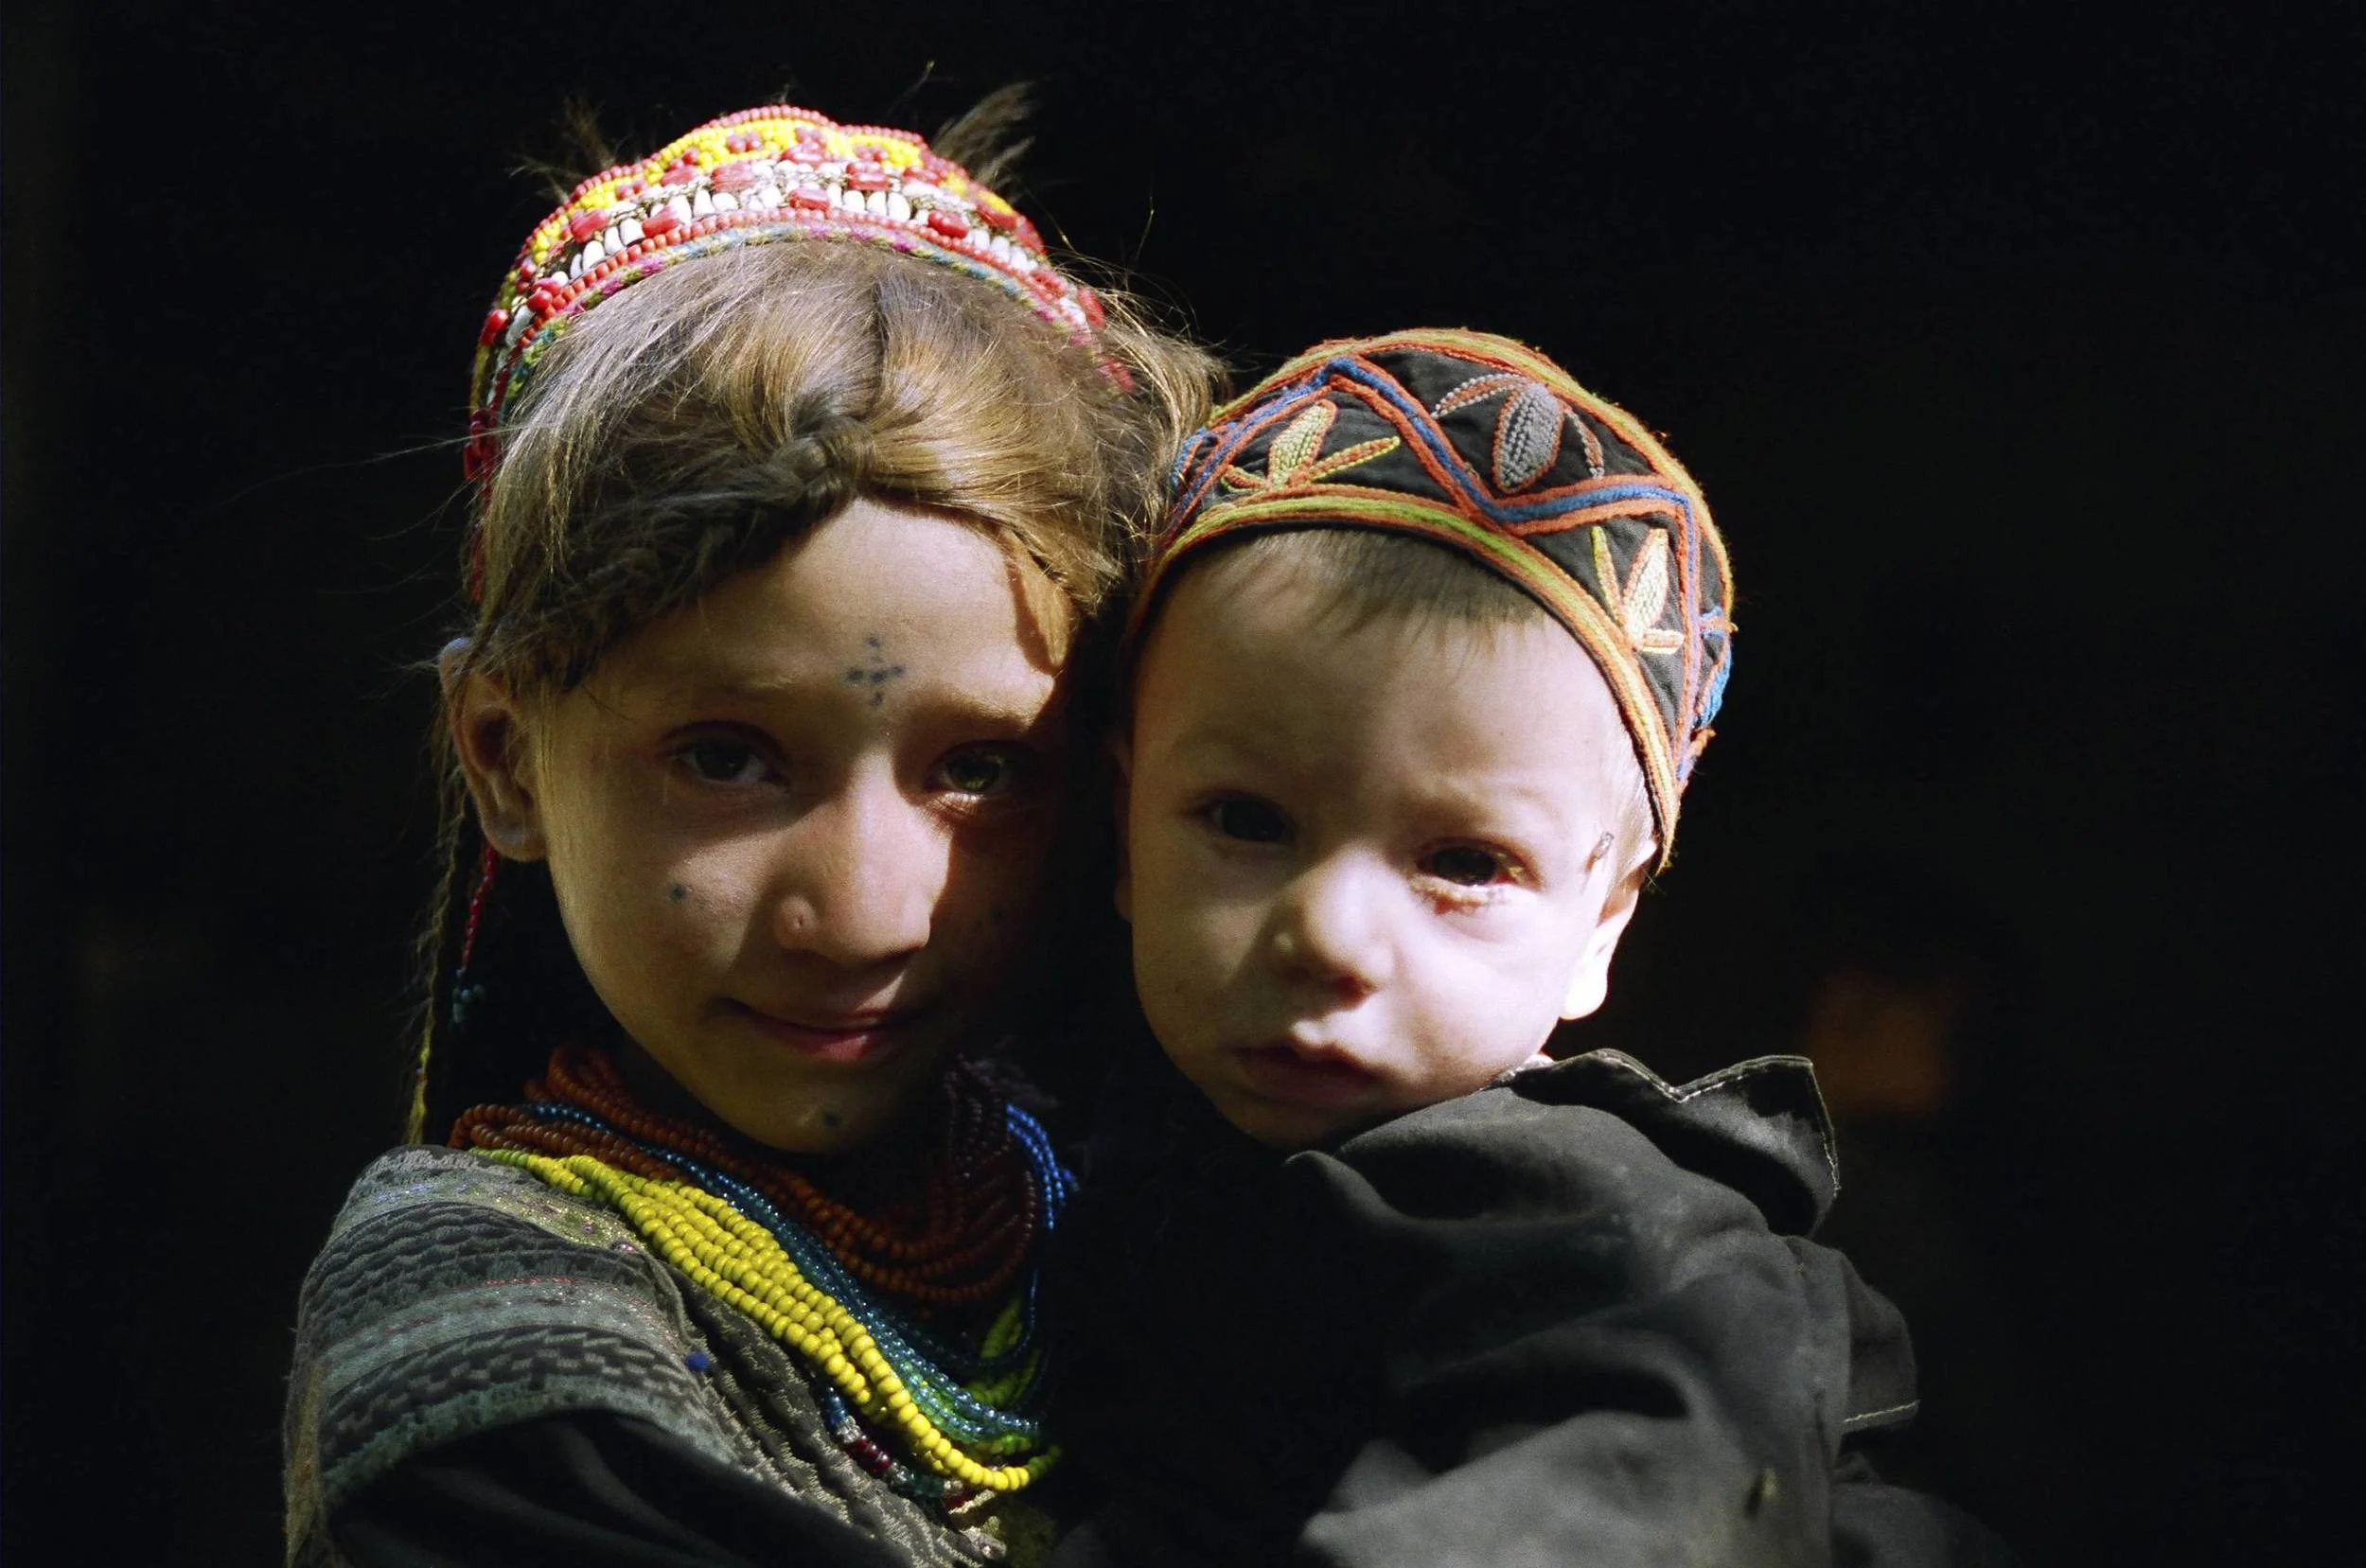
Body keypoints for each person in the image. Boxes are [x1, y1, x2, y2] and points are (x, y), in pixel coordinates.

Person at [282, 99, 1216, 1568]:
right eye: (726, 759)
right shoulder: (475, 1321)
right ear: (507, 756)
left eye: (980, 769)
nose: (861, 912)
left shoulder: (1116, 1220)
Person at [1052, 331, 2016, 1565]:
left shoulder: (1618, 1253)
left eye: (1464, 864)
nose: (1329, 937)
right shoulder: (1068, 1135)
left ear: (1601, 925)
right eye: (1247, 822)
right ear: (1124, 834)